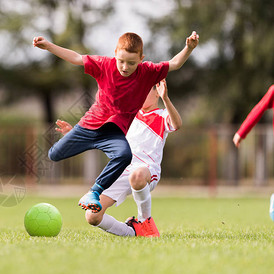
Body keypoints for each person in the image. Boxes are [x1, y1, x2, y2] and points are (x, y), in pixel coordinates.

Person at [33, 31, 199, 213]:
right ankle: (84, 143)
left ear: (141, 59)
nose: (125, 67)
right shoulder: (104, 64)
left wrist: (188, 48)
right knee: (54, 155)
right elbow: (77, 58)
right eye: (121, 61)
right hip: (88, 126)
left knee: (124, 155)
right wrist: (49, 46)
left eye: (131, 63)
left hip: (114, 132)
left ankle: (94, 191)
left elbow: (174, 63)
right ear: (115, 54)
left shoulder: (148, 72)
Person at [56, 79, 181, 237]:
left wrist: (166, 99)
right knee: (92, 216)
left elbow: (176, 124)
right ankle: (133, 232)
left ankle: (146, 222)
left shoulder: (162, 115)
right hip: (123, 170)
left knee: (137, 176)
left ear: (157, 91)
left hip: (147, 170)